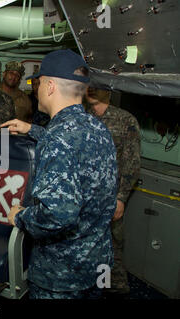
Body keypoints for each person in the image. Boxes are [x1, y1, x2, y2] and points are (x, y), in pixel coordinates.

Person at [1, 49, 118, 299]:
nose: (37, 88)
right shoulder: (98, 128)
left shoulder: (58, 139)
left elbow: (58, 215)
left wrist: (20, 217)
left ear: (50, 86)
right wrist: (32, 129)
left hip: (62, 274)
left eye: (39, 82)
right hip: (98, 264)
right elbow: (75, 150)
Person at [85, 86, 141, 294]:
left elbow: (131, 164)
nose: (91, 90)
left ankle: (112, 289)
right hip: (86, 200)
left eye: (97, 87)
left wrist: (121, 198)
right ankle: (95, 288)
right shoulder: (84, 119)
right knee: (87, 250)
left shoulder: (125, 120)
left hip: (110, 199)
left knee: (111, 250)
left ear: (108, 91)